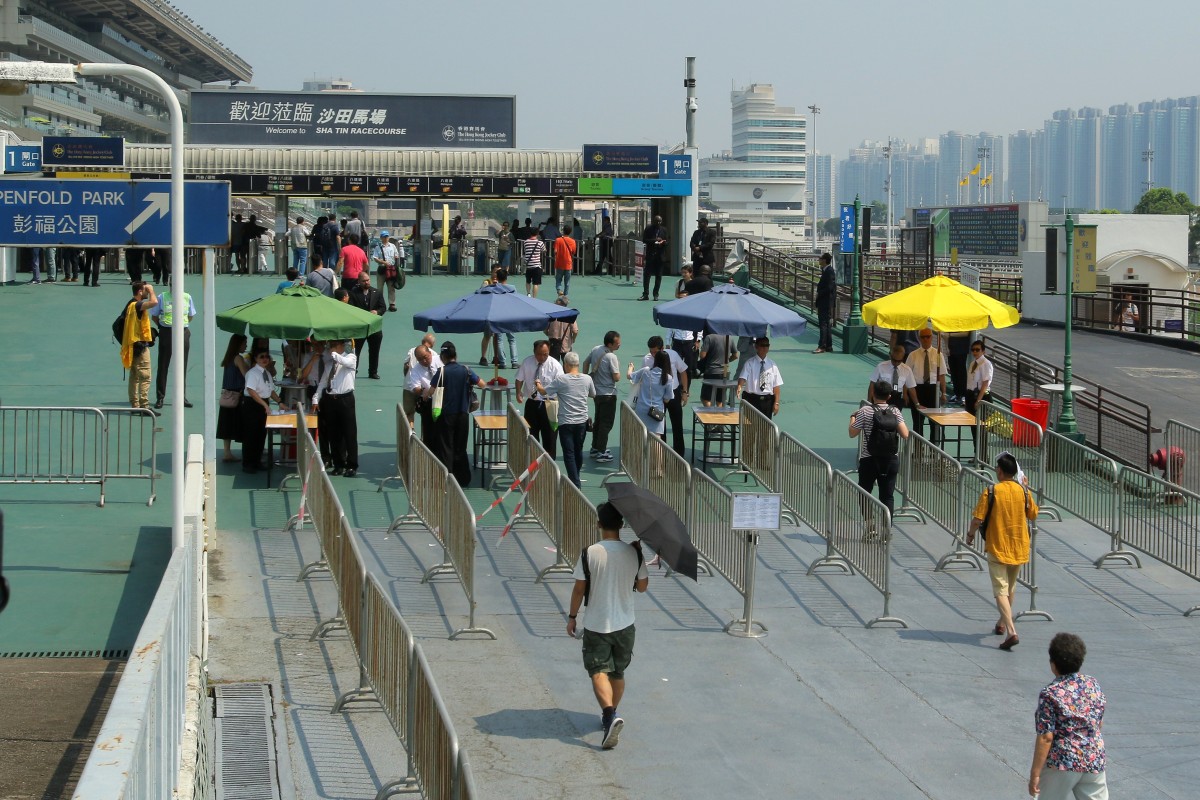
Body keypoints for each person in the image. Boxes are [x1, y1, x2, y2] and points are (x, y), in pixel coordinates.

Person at [565, 500, 649, 750]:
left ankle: (610, 714)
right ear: (622, 524)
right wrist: (638, 556)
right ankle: (609, 716)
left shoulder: (589, 553)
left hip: (597, 623)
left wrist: (572, 617)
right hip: (625, 624)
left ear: (599, 524)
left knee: (598, 670)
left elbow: (579, 589)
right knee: (618, 672)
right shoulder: (633, 552)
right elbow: (643, 587)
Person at [966, 453, 1040, 650]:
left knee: (1000, 589)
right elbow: (1033, 513)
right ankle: (1001, 622)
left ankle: (1011, 630)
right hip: (1018, 545)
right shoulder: (1022, 491)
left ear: (1000, 470)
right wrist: (1026, 488)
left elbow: (977, 519)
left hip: (997, 545)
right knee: (1011, 587)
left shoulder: (992, 491)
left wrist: (970, 535)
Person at [1028, 633, 1108, 800]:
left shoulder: (1050, 694)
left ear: (1053, 664)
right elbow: (1098, 723)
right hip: (1093, 759)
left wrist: (1035, 773)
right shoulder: (1092, 684)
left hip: (1063, 761)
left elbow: (1046, 738)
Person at [425, 341, 485, 486]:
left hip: (446, 415)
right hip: (463, 415)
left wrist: (424, 395)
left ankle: (447, 476)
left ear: (443, 357)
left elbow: (431, 391)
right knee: (461, 447)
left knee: (446, 446)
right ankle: (463, 478)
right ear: (455, 355)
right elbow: (482, 384)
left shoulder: (442, 372)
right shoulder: (466, 370)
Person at [849, 379, 911, 519]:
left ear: (873, 394)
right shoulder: (895, 411)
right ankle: (886, 528)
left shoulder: (865, 411)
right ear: (889, 396)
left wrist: (853, 417)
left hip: (869, 458)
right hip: (890, 459)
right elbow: (905, 434)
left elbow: (852, 433)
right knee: (887, 496)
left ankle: (870, 524)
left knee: (864, 492)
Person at [542, 352, 596, 488]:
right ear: (577, 364)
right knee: (578, 450)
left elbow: (544, 392)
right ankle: (575, 477)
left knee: (569, 453)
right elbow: (593, 394)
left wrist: (537, 385)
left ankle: (575, 483)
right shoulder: (587, 379)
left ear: (565, 365)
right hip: (582, 421)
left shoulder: (561, 380)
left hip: (566, 422)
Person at [313, 339, 359, 477]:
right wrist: (316, 398)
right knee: (334, 434)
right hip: (331, 399)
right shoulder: (329, 364)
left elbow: (346, 363)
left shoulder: (350, 357)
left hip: (345, 399)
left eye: (333, 346)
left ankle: (351, 465)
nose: (330, 349)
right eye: (330, 346)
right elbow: (323, 382)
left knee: (349, 433)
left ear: (341, 346)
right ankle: (338, 463)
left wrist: (333, 354)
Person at [516, 340, 565, 457]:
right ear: (534, 352)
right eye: (539, 354)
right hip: (532, 403)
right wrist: (518, 392)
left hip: (549, 404)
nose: (542, 357)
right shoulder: (527, 362)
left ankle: (549, 467)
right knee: (531, 436)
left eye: (545, 354)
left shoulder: (555, 365)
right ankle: (533, 463)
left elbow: (561, 385)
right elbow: (519, 378)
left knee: (550, 438)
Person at [150, 285, 196, 410]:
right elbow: (154, 316)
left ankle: (182, 397)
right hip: (167, 331)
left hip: (183, 331)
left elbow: (190, 315)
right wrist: (163, 326)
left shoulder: (187, 297)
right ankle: (160, 397)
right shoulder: (162, 297)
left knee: (182, 366)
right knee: (163, 365)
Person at [241, 349, 286, 474]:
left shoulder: (267, 373)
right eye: (262, 357)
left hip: (262, 404)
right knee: (251, 435)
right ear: (256, 359)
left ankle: (257, 461)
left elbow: (270, 391)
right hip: (252, 405)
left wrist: (279, 402)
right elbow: (251, 390)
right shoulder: (253, 373)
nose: (265, 359)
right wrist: (264, 405)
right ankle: (248, 464)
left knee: (261, 435)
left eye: (267, 357)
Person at [642, 336, 689, 456]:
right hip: (658, 398)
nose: (653, 354)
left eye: (655, 351)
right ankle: (661, 455)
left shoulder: (672, 355)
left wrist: (684, 392)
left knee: (677, 425)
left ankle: (679, 455)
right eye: (651, 351)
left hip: (674, 394)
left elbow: (683, 371)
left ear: (662, 348)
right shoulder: (647, 359)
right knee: (660, 427)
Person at [120, 281, 158, 413]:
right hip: (140, 346)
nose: (147, 292)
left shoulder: (129, 304)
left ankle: (135, 404)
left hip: (132, 345)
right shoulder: (138, 305)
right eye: (145, 290)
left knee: (134, 376)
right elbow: (154, 303)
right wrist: (152, 290)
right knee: (145, 375)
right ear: (140, 291)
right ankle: (144, 406)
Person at [583, 331, 621, 462]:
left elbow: (585, 363)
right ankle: (601, 451)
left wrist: (585, 380)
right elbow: (616, 377)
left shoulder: (596, 349)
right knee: (606, 423)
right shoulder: (612, 357)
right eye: (617, 343)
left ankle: (595, 448)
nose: (619, 344)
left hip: (596, 393)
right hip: (608, 395)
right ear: (610, 344)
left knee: (598, 421)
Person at [906, 328, 948, 443]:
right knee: (917, 422)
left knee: (934, 422)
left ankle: (933, 450)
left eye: (928, 336)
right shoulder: (913, 355)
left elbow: (942, 376)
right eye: (923, 337)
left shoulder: (938, 354)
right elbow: (906, 376)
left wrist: (944, 393)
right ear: (919, 338)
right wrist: (905, 394)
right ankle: (918, 448)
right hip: (917, 390)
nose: (925, 339)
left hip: (933, 389)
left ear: (932, 337)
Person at [628, 350, 672, 441]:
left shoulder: (646, 371)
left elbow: (630, 376)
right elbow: (667, 399)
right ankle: (657, 456)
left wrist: (630, 367)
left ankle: (640, 455)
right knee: (656, 438)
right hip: (656, 412)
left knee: (639, 437)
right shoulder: (668, 378)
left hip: (641, 409)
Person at [348, 272, 386, 379]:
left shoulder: (377, 292)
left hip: (374, 328)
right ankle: (353, 371)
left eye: (368, 280)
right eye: (364, 281)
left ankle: (373, 372)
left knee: (374, 351)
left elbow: (383, 307)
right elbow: (351, 309)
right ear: (359, 282)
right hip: (360, 328)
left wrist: (377, 312)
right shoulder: (353, 293)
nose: (367, 282)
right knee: (356, 351)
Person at [218, 334, 249, 462]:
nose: (246, 346)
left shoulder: (228, 358)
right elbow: (246, 375)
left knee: (226, 423)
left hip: (227, 395)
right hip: (237, 395)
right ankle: (247, 451)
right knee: (242, 423)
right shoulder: (238, 358)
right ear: (239, 344)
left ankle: (227, 451)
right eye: (244, 343)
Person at [737, 336, 782, 420]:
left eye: (766, 345)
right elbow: (743, 377)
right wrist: (739, 386)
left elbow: (776, 386)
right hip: (751, 399)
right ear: (756, 347)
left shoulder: (772, 365)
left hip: (767, 401)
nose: (764, 348)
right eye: (762, 345)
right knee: (750, 427)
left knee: (765, 428)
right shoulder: (749, 363)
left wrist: (776, 403)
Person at [868, 344, 918, 411]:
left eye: (899, 361)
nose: (896, 363)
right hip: (882, 396)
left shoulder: (907, 370)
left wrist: (917, 404)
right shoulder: (881, 366)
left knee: (895, 419)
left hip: (897, 398)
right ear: (890, 356)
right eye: (894, 360)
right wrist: (869, 402)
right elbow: (872, 384)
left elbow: (911, 388)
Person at [405, 344, 438, 445]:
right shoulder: (415, 370)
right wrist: (423, 390)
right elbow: (416, 388)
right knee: (429, 431)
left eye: (425, 357)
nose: (424, 361)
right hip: (429, 401)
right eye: (420, 359)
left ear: (429, 353)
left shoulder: (440, 360)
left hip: (444, 400)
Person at [697, 333, 737, 406]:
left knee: (705, 399)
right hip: (725, 372)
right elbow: (735, 355)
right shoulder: (729, 338)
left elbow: (702, 355)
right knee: (720, 400)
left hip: (711, 371)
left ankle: (710, 414)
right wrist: (727, 361)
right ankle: (719, 415)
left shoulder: (709, 337)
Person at [638, 215, 668, 301]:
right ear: (653, 221)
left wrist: (663, 242)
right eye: (656, 221)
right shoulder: (648, 229)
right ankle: (645, 294)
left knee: (658, 276)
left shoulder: (664, 230)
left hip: (660, 256)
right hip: (650, 255)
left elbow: (667, 242)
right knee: (647, 275)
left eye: (659, 221)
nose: (658, 223)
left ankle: (656, 294)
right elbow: (644, 240)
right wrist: (655, 240)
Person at [813, 252, 836, 353]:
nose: (819, 260)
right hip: (825, 301)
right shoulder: (826, 271)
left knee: (823, 324)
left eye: (821, 258)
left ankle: (822, 346)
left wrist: (819, 293)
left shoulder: (829, 271)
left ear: (825, 260)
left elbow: (830, 287)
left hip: (825, 302)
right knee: (826, 324)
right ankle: (828, 346)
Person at [373, 230, 401, 312]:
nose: (386, 238)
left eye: (387, 236)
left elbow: (396, 256)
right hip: (382, 269)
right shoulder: (378, 247)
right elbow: (375, 258)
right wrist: (383, 262)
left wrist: (396, 267)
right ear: (381, 238)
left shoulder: (392, 246)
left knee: (391, 287)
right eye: (384, 236)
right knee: (380, 288)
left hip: (391, 269)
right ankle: (380, 304)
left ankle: (392, 304)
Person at [964, 339, 994, 415]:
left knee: (981, 423)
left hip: (981, 395)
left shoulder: (985, 363)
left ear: (983, 351)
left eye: (977, 350)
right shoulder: (972, 363)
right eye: (973, 350)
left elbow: (985, 383)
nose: (975, 352)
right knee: (972, 421)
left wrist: (978, 400)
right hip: (971, 395)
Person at [545, 296, 579, 361]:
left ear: (559, 303)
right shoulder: (570, 315)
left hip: (553, 344)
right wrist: (573, 339)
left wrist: (551, 335)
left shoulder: (551, 314)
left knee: (554, 365)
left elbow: (545, 329)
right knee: (567, 365)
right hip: (566, 345)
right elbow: (575, 331)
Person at [521, 230, 547, 298]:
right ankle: (534, 297)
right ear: (537, 234)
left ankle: (528, 293)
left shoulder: (525, 242)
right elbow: (544, 250)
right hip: (537, 265)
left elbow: (526, 250)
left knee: (528, 281)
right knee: (536, 283)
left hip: (529, 265)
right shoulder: (540, 243)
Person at [553, 227, 577, 296]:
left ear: (563, 231)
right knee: (567, 282)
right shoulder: (573, 241)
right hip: (568, 264)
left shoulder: (558, 240)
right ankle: (565, 296)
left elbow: (555, 251)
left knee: (558, 279)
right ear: (570, 232)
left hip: (559, 263)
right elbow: (573, 252)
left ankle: (559, 290)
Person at [597, 210, 614, 274]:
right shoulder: (606, 226)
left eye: (604, 220)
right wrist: (598, 235)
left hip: (607, 242)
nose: (603, 222)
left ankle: (610, 269)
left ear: (607, 221)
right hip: (605, 242)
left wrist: (599, 235)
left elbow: (604, 233)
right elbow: (603, 232)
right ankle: (609, 269)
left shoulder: (608, 227)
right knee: (606, 256)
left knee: (607, 256)